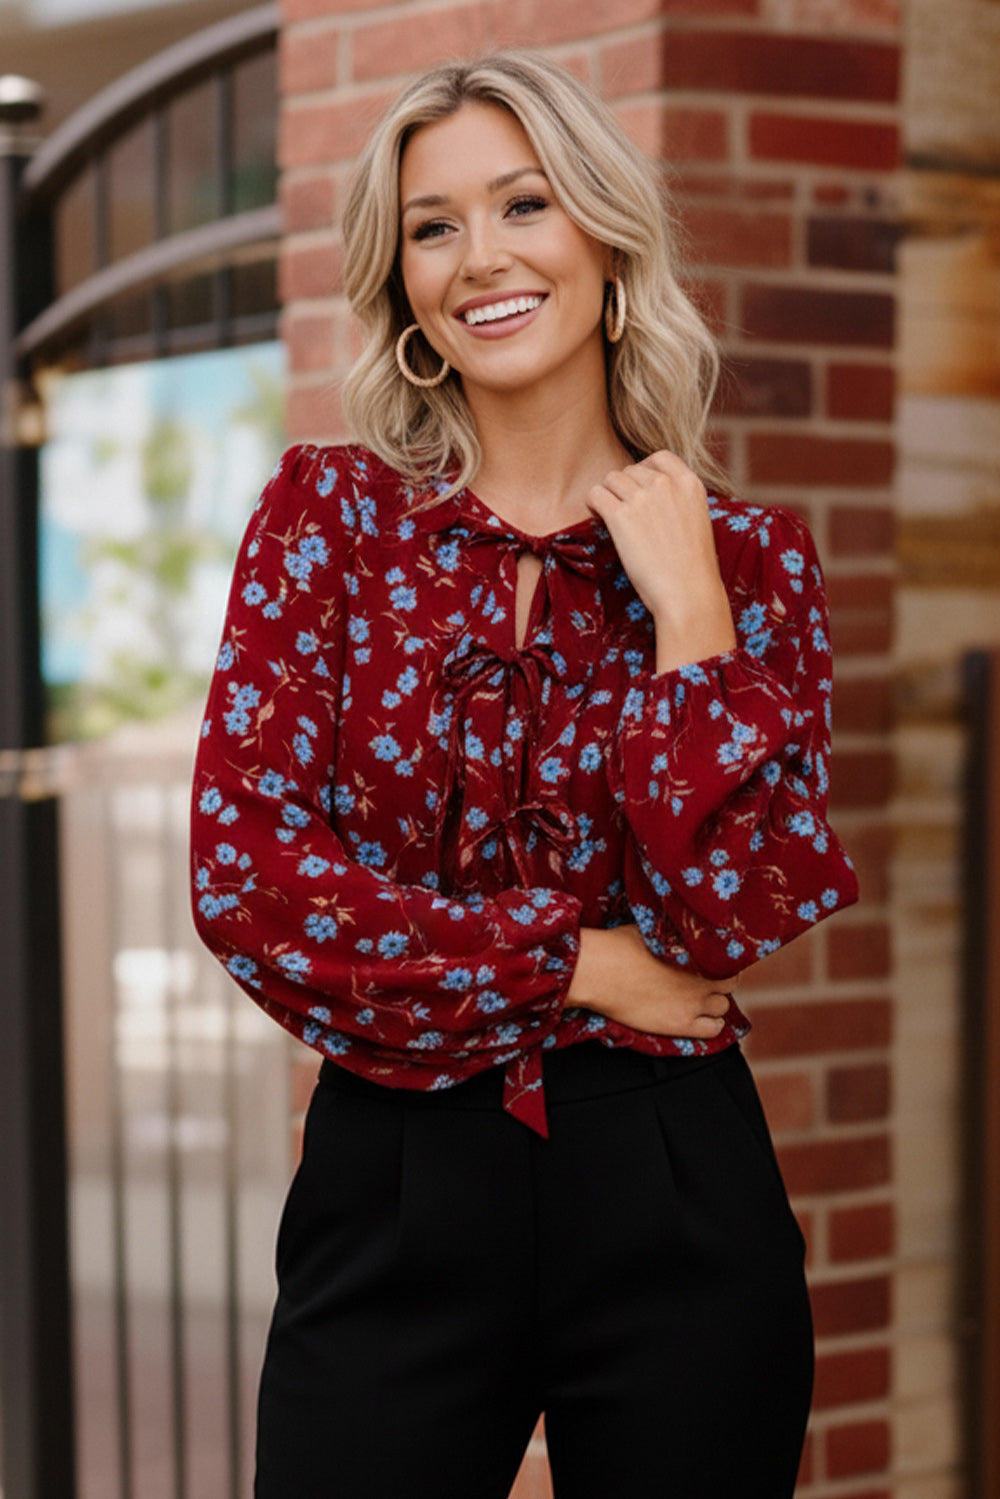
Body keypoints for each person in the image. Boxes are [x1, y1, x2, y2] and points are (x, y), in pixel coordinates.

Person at [190, 49, 858, 1499]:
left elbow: (737, 916)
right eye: (434, 226)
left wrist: (690, 617)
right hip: (395, 1172)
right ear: (405, 283)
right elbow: (252, 882)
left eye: (523, 205)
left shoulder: (749, 562)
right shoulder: (332, 520)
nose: (478, 258)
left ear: (607, 241)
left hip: (677, 1189)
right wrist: (582, 967)